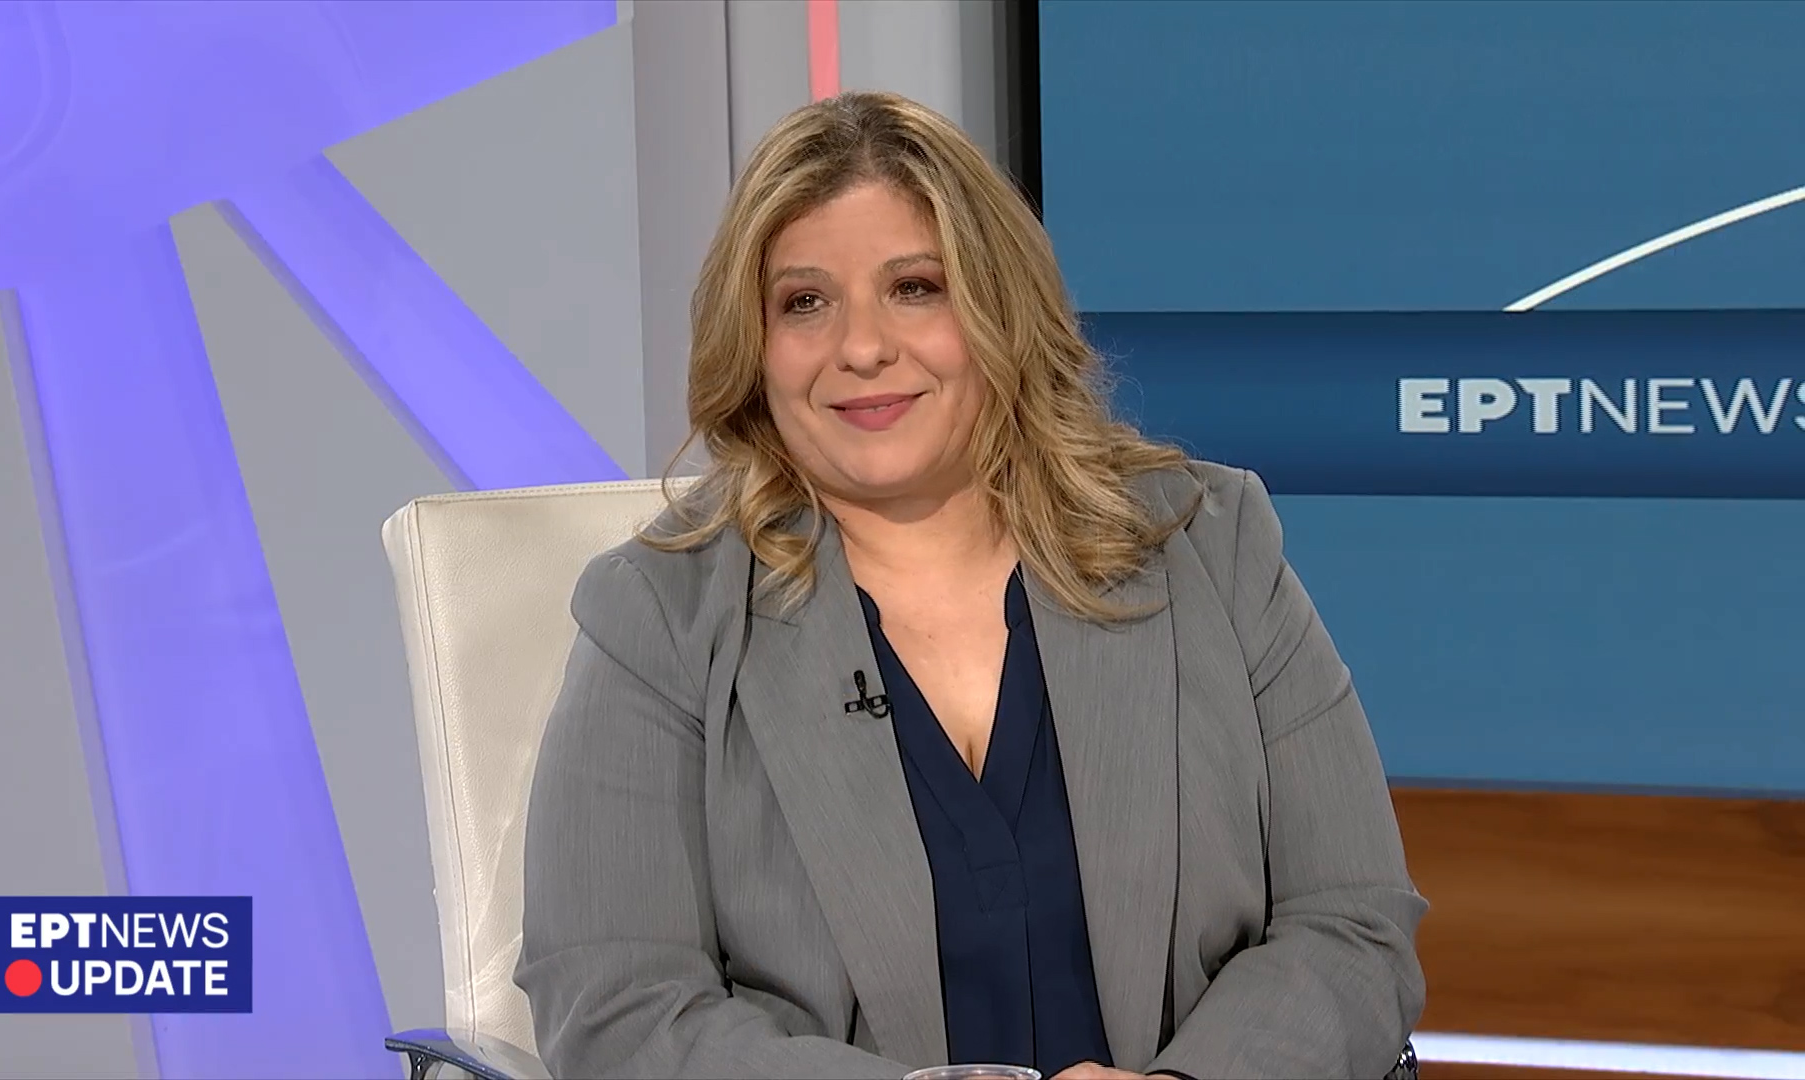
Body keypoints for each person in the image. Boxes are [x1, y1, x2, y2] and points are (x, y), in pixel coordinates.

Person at [518, 90, 1425, 1080]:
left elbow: (1351, 925)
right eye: (805, 302)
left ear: (1000, 309)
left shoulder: (1208, 543)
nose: (862, 346)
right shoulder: (661, 617)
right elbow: (618, 1009)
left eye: (915, 287)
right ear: (755, 344)